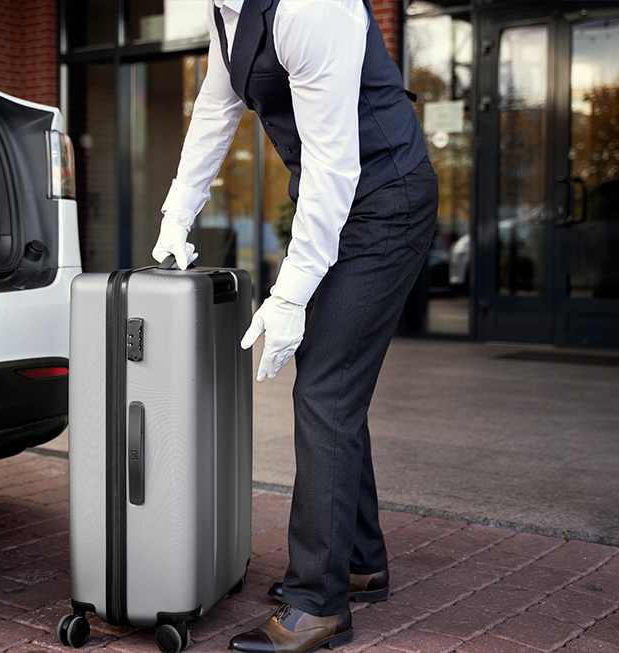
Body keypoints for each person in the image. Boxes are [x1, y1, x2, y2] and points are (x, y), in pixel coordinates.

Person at [152, 0, 438, 651]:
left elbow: (335, 168)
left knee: (325, 388)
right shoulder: (226, 13)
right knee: (329, 380)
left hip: (386, 198)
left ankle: (319, 603)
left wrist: (290, 295)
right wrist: (179, 212)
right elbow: (215, 110)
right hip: (342, 200)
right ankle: (359, 560)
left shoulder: (311, 7)